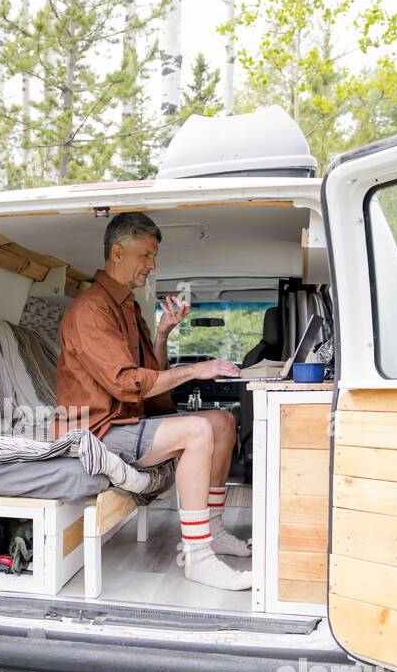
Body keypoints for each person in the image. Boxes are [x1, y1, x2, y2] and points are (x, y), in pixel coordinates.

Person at [54, 211, 255, 591]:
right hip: (96, 431)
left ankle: (212, 531)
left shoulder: (128, 308)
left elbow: (152, 378)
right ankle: (198, 557)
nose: (153, 265)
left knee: (223, 423)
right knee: (197, 429)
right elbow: (129, 385)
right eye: (146, 255)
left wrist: (162, 334)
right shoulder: (91, 310)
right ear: (117, 252)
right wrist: (197, 370)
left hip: (128, 420)